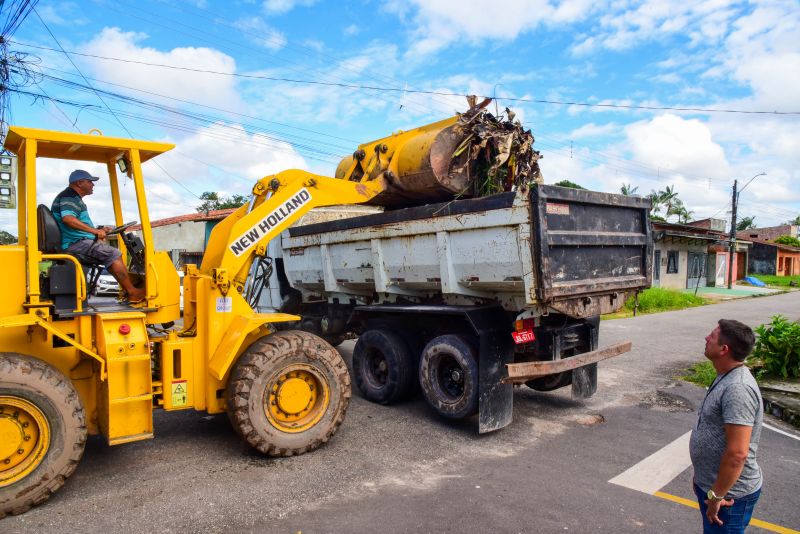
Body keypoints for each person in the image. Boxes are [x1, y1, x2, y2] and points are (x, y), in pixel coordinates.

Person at [690, 319, 763, 533]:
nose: (706, 338)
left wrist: (716, 495)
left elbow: (738, 453)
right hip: (714, 487)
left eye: (711, 336)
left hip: (729, 499)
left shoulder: (737, 389)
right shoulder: (725, 376)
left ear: (724, 349)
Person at [51, 169, 145, 302]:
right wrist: (94, 232)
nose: (92, 185)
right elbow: (68, 219)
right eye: (90, 182)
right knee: (114, 254)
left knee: (109, 254)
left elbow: (74, 222)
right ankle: (132, 292)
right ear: (79, 183)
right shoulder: (69, 197)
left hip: (74, 241)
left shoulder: (72, 198)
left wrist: (99, 229)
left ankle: (126, 289)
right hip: (74, 243)